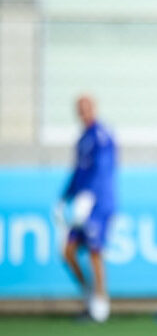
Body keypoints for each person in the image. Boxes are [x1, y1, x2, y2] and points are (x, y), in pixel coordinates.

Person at [56, 95, 117, 323]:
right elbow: (78, 171)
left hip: (99, 203)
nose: (83, 112)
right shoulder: (82, 139)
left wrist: (91, 195)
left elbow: (103, 169)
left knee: (94, 250)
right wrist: (64, 197)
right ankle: (89, 295)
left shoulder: (101, 135)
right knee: (68, 251)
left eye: (86, 107)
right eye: (79, 109)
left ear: (93, 108)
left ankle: (100, 303)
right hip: (82, 202)